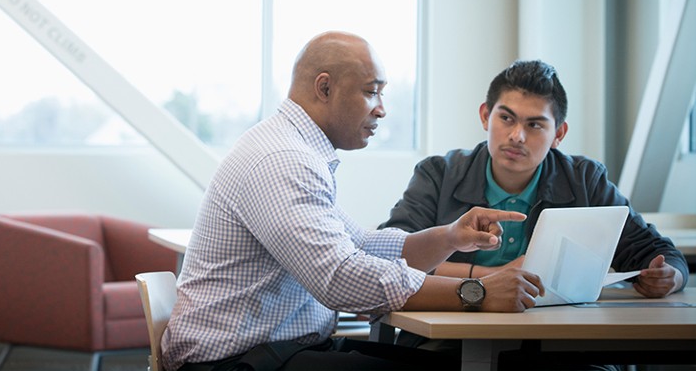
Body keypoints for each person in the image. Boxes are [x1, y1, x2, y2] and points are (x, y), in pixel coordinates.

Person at [162, 32, 544, 371]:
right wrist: (477, 293)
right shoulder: (282, 159)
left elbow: (361, 246)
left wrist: (448, 238)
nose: (381, 107)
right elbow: (340, 278)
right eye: (371, 91)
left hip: (276, 351)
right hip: (234, 361)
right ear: (324, 88)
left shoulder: (295, 150)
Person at [380, 59, 688, 369]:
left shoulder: (585, 180)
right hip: (449, 342)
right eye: (506, 118)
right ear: (486, 116)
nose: (517, 136)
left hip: (561, 344)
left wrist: (669, 277)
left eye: (534, 125)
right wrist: (493, 281)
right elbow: (388, 259)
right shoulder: (438, 174)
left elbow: (659, 252)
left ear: (559, 133)